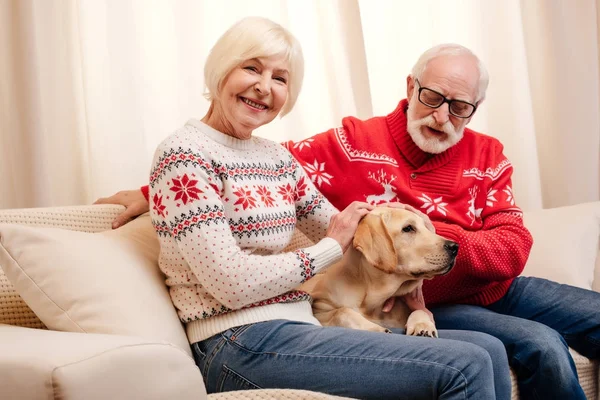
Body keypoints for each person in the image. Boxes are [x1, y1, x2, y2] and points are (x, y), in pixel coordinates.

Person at [96, 19, 515, 399]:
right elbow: (232, 284)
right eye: (252, 68)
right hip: (235, 342)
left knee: (489, 349)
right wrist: (326, 249)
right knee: (466, 364)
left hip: (296, 325)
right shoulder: (183, 156)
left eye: (280, 78)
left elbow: (348, 228)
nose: (265, 86)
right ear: (221, 69)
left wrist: (408, 262)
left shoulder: (276, 158)